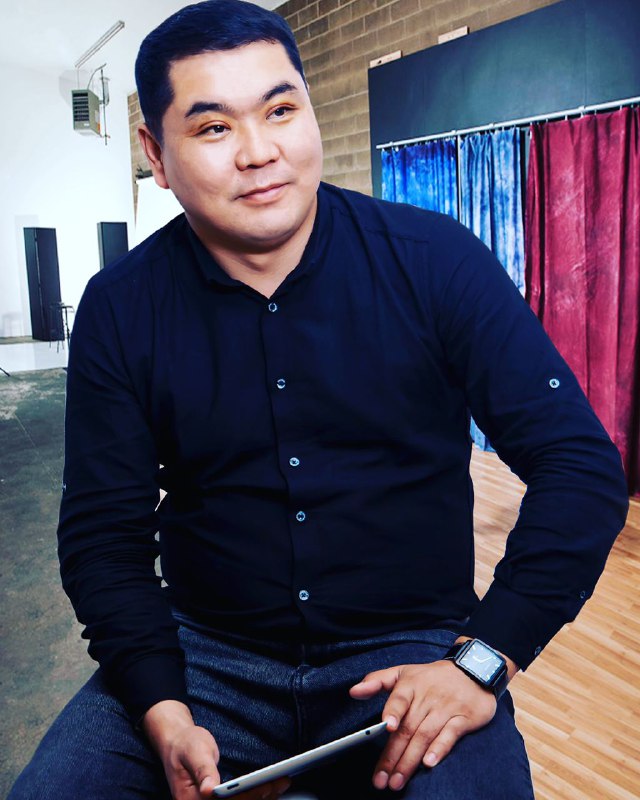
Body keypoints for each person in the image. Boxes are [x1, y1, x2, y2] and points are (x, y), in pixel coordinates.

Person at [9, 1, 628, 799]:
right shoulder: (122, 306)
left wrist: (482, 660)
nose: (259, 152)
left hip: (410, 654)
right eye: (213, 127)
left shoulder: (435, 262)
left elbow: (579, 467)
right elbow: (103, 535)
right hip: (202, 660)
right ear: (155, 154)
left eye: (280, 110)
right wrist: (161, 704)